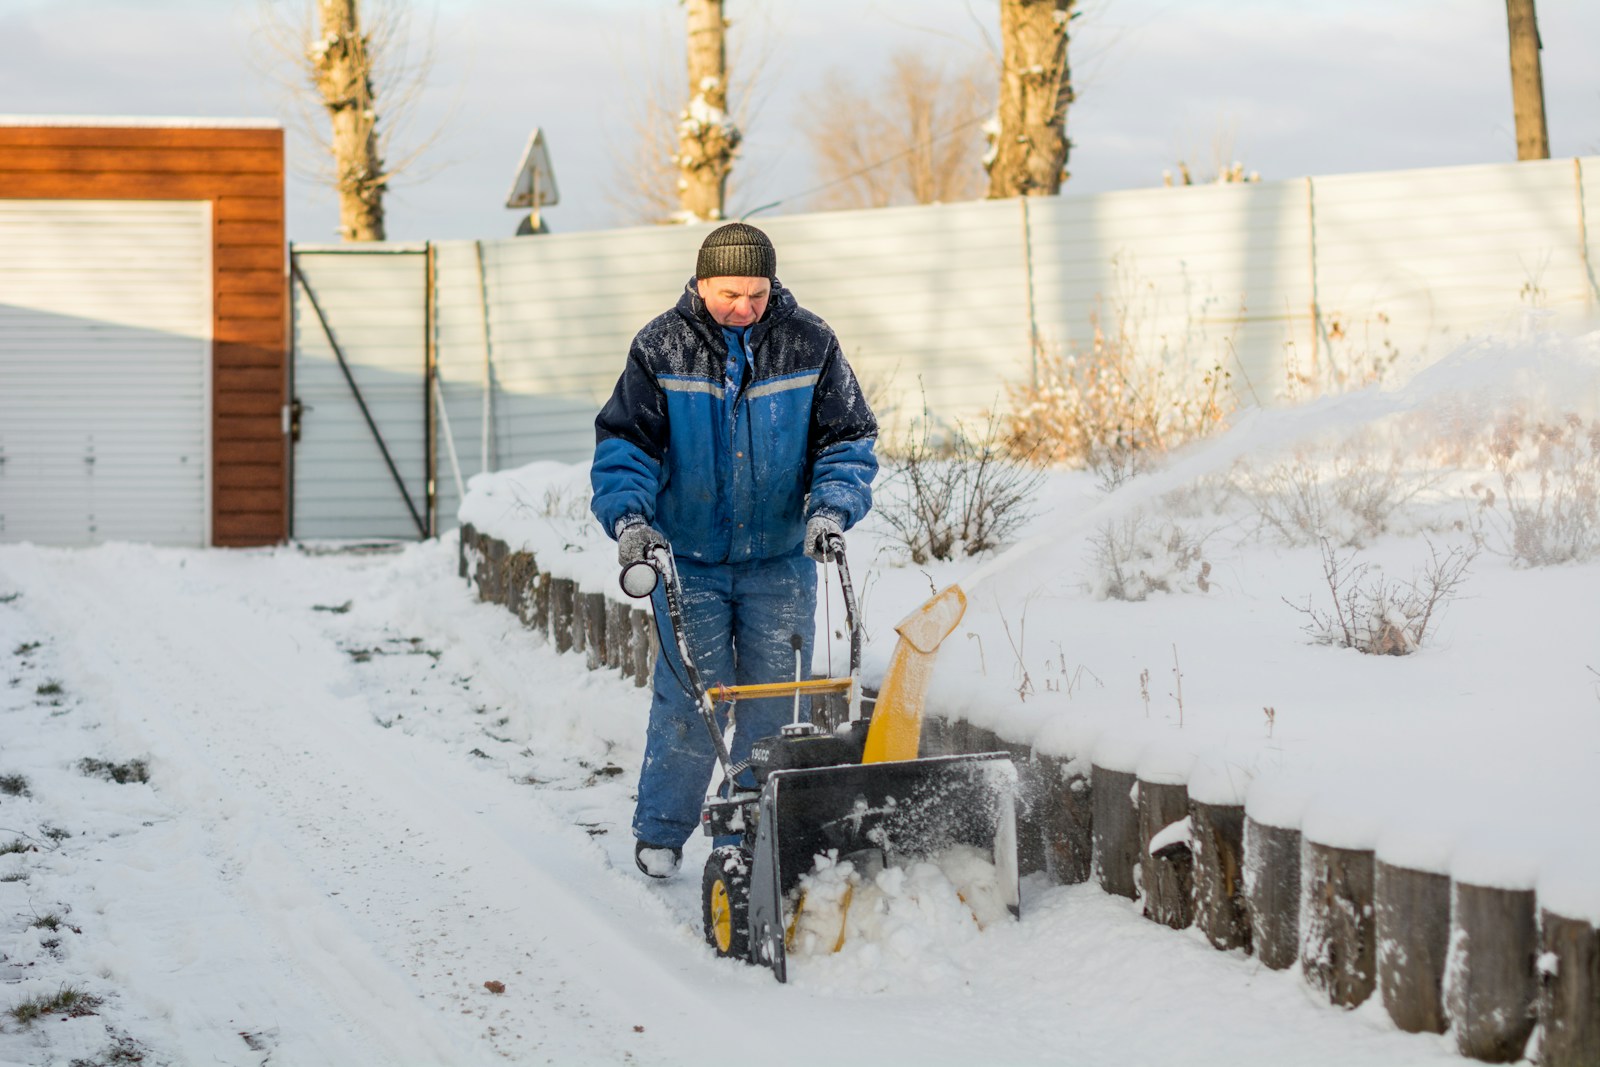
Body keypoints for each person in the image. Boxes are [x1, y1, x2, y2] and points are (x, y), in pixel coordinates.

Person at [590, 223, 878, 879]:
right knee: (694, 697)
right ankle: (662, 829)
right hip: (686, 560)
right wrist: (631, 520)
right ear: (700, 282)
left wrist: (831, 507)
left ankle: (757, 823)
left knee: (778, 702)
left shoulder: (811, 342)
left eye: (756, 292)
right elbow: (625, 447)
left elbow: (849, 440)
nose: (744, 307)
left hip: (780, 559)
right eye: (729, 293)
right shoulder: (659, 347)